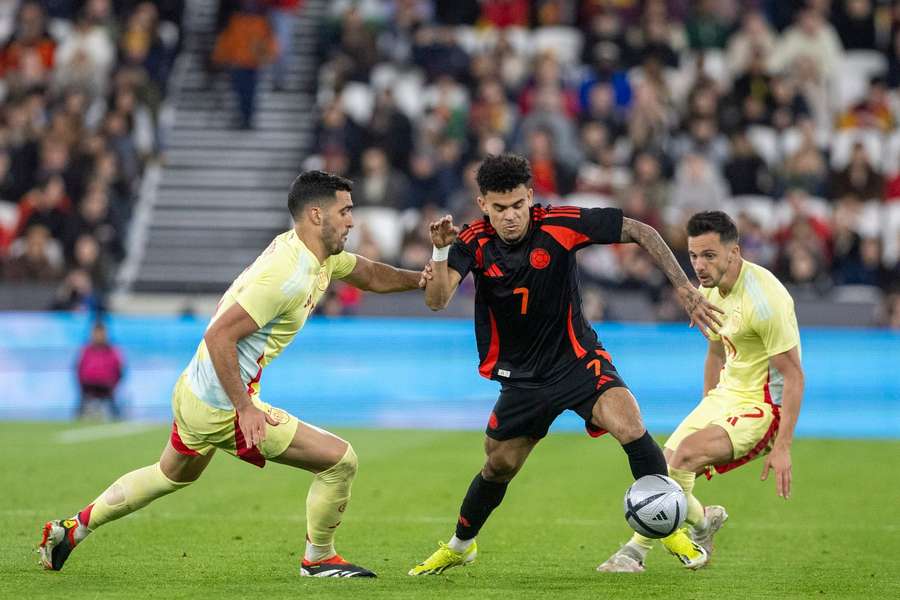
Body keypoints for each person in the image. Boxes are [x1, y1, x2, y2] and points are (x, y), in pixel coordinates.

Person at [39, 171, 430, 578]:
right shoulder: (287, 274)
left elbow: (367, 273)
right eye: (345, 211)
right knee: (339, 461)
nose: (352, 221)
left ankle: (72, 529)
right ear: (317, 214)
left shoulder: (315, 254)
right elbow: (219, 335)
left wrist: (419, 279)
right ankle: (318, 560)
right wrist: (245, 408)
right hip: (223, 404)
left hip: (195, 389)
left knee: (168, 476)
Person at [408, 154, 723, 576]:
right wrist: (442, 248)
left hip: (576, 360)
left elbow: (641, 230)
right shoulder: (472, 241)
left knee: (630, 425)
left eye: (518, 205)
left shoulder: (559, 223)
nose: (510, 217)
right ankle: (461, 545)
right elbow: (437, 300)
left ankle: (672, 534)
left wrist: (684, 287)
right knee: (498, 465)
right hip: (521, 378)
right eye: (499, 208)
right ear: (483, 204)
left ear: (530, 198)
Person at [598, 211, 804, 573]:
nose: (699, 265)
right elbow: (715, 350)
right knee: (664, 463)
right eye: (693, 256)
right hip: (726, 396)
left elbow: (794, 376)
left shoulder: (765, 300)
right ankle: (705, 522)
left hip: (763, 406)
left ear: (734, 252)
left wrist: (783, 446)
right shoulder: (706, 291)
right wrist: (710, 404)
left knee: (685, 456)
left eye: (709, 255)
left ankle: (635, 552)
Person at [76, 320, 125, 419]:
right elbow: (79, 368)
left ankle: (116, 418)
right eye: (96, 333)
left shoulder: (112, 350)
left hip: (106, 385)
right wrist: (82, 383)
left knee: (114, 409)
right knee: (81, 406)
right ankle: (78, 417)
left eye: (101, 333)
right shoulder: (87, 350)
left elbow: (120, 369)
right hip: (89, 385)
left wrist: (113, 384)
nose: (98, 336)